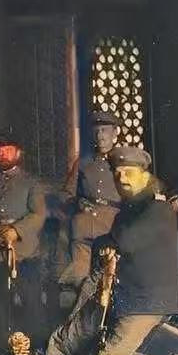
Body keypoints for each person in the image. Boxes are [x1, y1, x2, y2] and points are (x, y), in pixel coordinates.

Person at [27, 147, 178, 355]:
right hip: (118, 293)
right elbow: (110, 242)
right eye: (117, 173)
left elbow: (127, 240)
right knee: (73, 332)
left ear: (145, 174)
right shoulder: (129, 209)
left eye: (129, 172)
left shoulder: (158, 208)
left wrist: (107, 242)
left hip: (147, 302)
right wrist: (106, 243)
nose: (121, 178)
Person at [0, 135, 48, 355]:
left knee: (31, 304)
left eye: (8, 149)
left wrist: (16, 230)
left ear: (18, 153)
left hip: (24, 252)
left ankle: (35, 350)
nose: (3, 154)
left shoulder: (31, 183)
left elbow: (38, 214)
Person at [58, 111, 123, 309]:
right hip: (84, 228)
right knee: (79, 277)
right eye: (97, 131)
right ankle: (80, 320)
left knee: (111, 279)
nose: (100, 136)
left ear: (115, 133)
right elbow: (65, 195)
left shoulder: (124, 161)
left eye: (105, 130)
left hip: (113, 228)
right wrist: (77, 202)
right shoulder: (83, 163)